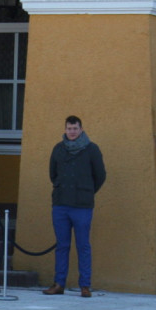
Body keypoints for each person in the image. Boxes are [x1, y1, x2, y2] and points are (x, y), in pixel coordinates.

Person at [43, 115, 107, 298]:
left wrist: (86, 191)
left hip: (82, 206)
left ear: (81, 129)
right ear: (65, 129)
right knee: (62, 245)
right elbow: (52, 174)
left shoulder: (91, 149)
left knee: (83, 245)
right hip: (61, 204)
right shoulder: (58, 149)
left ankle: (85, 286)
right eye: (69, 128)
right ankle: (59, 283)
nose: (72, 132)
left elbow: (100, 175)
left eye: (75, 128)